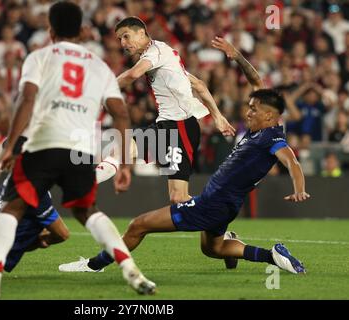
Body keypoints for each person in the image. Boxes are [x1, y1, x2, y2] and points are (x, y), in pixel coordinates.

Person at [59, 37, 310, 275]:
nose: (248, 113)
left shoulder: (272, 139)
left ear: (269, 116)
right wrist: (237, 57)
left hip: (212, 203)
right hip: (225, 206)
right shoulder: (262, 127)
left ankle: (94, 265)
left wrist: (299, 188)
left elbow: (292, 161)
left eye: (253, 110)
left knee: (138, 225)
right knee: (214, 249)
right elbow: (256, 82)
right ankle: (273, 256)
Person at [0, 2, 155, 298]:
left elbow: (26, 100)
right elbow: (120, 114)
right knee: (88, 212)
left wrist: (11, 145)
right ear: (82, 30)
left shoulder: (39, 57)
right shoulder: (99, 66)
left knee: (12, 208)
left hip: (43, 143)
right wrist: (126, 166)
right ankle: (132, 271)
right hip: (80, 149)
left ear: (50, 30)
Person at [95, 16, 235, 204]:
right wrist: (217, 117)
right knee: (121, 153)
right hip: (167, 126)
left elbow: (133, 74)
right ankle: (85, 184)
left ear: (141, 33)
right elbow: (199, 85)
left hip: (181, 127)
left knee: (179, 197)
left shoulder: (156, 51)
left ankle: (219, 215)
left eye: (126, 36)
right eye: (120, 39)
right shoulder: (166, 58)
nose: (123, 43)